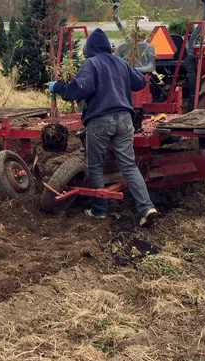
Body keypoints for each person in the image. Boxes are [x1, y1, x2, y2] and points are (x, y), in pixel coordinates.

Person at [47, 28, 159, 227]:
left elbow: (79, 89)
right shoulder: (121, 63)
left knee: (95, 165)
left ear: (89, 49)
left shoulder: (91, 64)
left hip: (100, 121)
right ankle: (147, 208)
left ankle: (99, 210)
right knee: (129, 166)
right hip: (125, 120)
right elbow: (140, 82)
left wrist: (57, 87)